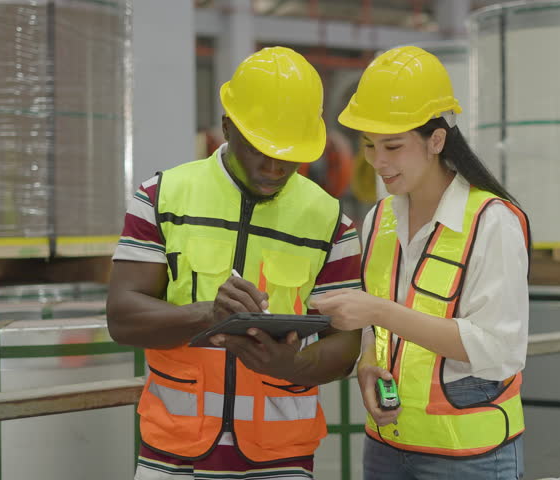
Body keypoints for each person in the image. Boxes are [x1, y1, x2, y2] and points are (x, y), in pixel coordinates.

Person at [106, 46, 362, 480]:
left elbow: (346, 343)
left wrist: (291, 366)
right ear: (228, 126)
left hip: (281, 460)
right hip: (173, 456)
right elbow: (122, 316)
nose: (276, 166)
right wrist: (208, 315)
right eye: (261, 148)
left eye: (290, 152)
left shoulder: (330, 222)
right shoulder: (162, 197)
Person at [312, 45, 531, 479]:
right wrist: (368, 363)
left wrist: (377, 311)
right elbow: (379, 323)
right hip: (387, 446)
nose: (377, 162)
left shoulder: (492, 222)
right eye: (370, 146)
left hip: (471, 457)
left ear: (436, 140)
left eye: (393, 146)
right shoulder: (380, 219)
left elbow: (497, 348)